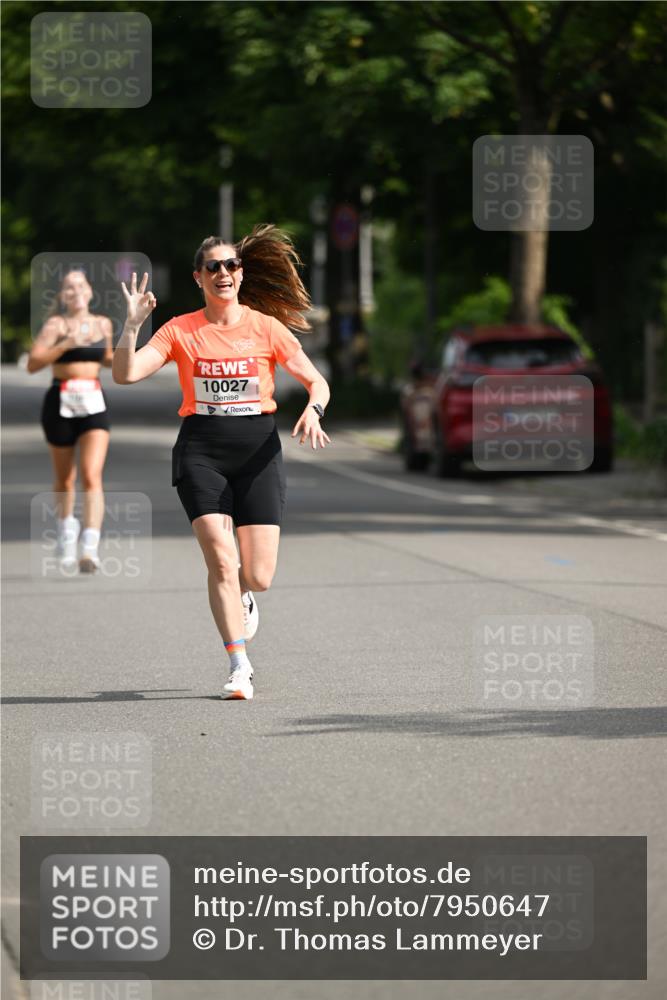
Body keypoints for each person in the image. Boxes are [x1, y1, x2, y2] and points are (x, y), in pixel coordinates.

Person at [112, 225, 330, 700]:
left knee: (258, 575)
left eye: (231, 265)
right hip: (202, 450)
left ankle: (245, 595)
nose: (223, 273)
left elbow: (317, 382)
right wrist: (131, 327)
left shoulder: (265, 327)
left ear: (241, 273)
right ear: (199, 277)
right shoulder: (179, 330)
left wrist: (313, 409)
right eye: (213, 267)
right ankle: (239, 665)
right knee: (220, 557)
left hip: (258, 453)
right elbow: (126, 374)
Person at [27, 268, 113, 573]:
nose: (75, 291)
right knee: (65, 478)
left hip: (93, 400)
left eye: (80, 285)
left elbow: (111, 360)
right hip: (60, 400)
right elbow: (33, 364)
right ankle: (67, 532)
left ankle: (89, 548)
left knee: (92, 476)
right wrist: (65, 342)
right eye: (68, 287)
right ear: (62, 296)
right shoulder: (56, 324)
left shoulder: (102, 323)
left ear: (90, 291)